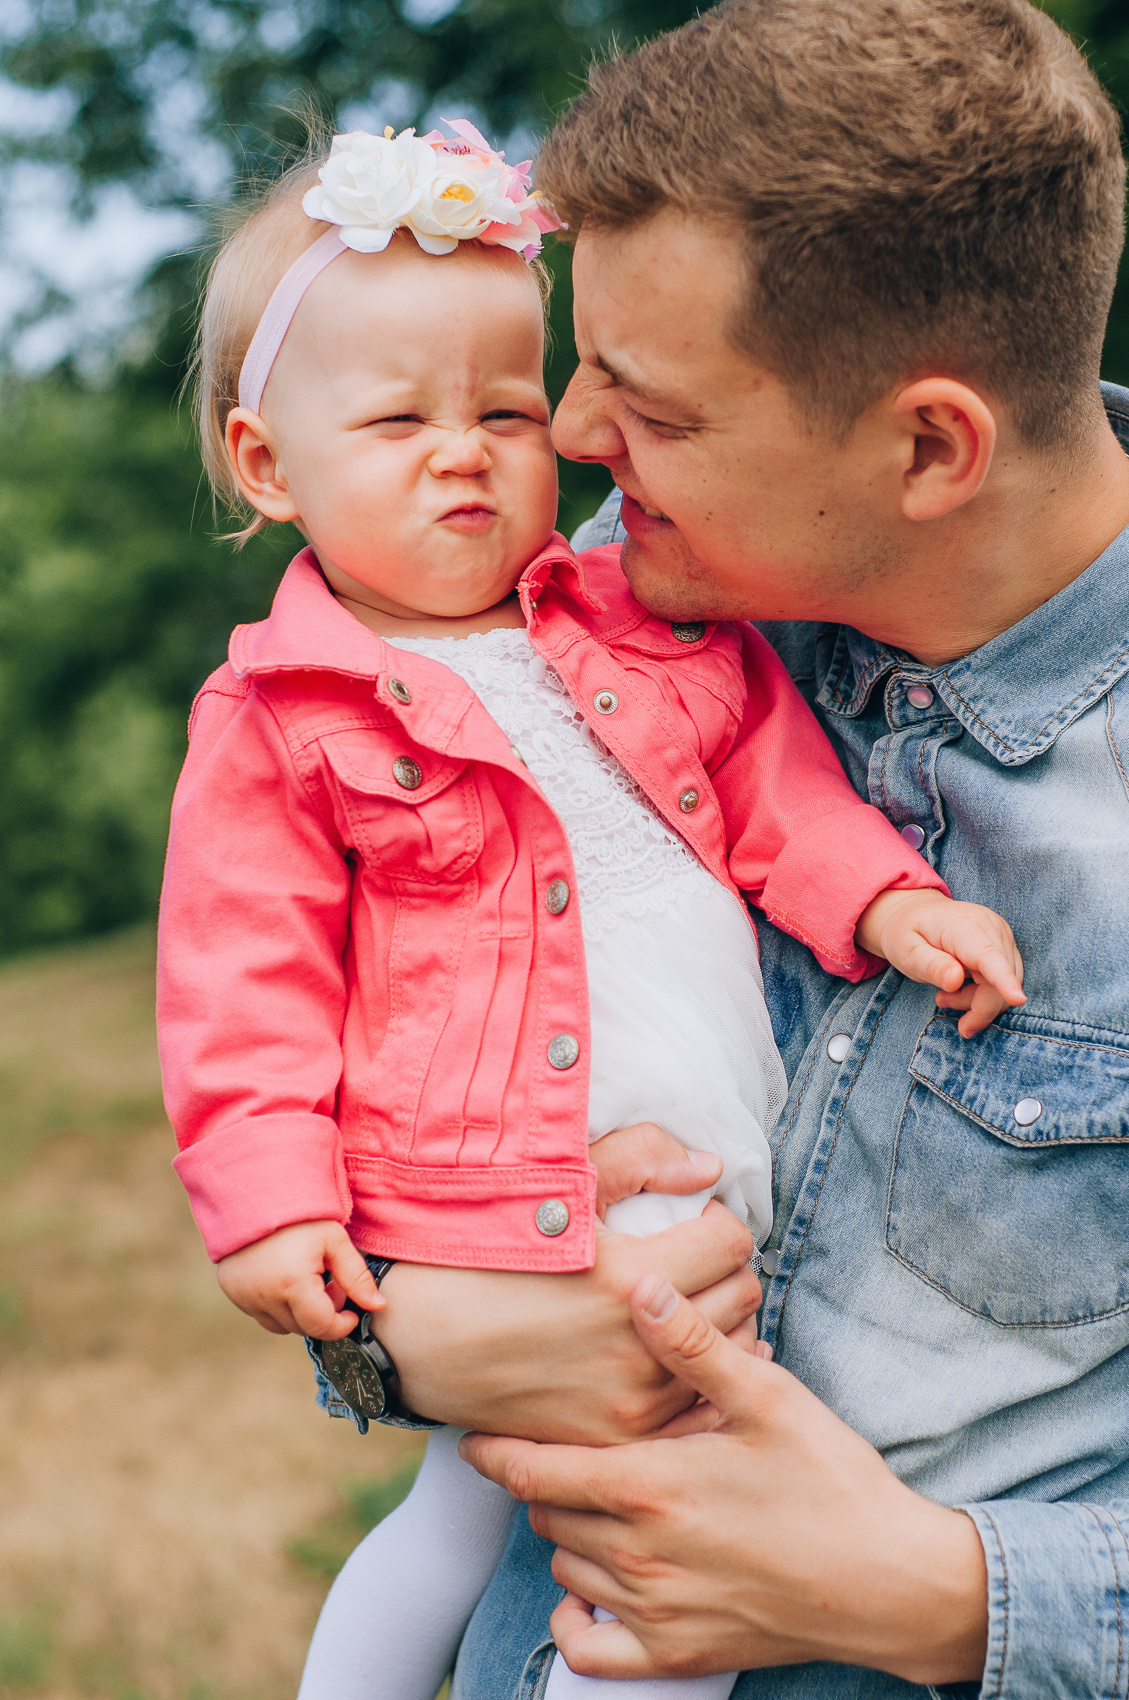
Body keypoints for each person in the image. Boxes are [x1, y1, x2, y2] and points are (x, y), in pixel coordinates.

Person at [155, 115, 1024, 1700]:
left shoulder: (633, 620)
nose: (465, 450)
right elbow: (241, 980)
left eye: (502, 407)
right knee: (589, 1509)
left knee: (574, 1503)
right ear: (270, 465)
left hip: (702, 1151)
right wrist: (272, 1202)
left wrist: (885, 899)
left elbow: (776, 788)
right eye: (398, 418)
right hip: (484, 1184)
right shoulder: (286, 711)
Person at [449, 1, 1129, 1696]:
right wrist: (415, 1341)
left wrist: (946, 1596)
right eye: (581, 354)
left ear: (927, 447)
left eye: (655, 410)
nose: (576, 436)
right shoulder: (601, 624)